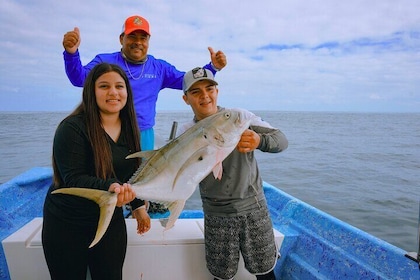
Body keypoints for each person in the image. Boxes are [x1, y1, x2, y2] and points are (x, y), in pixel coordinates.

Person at [42, 63, 150, 280]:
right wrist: (111, 187)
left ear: (127, 92)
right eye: (104, 86)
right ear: (91, 91)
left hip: (109, 220)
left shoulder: (131, 128)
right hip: (67, 224)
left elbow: (131, 173)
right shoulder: (71, 127)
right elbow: (73, 178)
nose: (113, 92)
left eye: (119, 86)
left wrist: (137, 206)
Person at [180, 67, 288, 280]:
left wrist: (260, 141)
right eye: (196, 92)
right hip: (216, 213)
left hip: (254, 208)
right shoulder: (185, 133)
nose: (205, 96)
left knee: (266, 272)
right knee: (221, 276)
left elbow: (281, 140)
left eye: (209, 88)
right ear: (186, 99)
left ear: (217, 91)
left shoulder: (240, 117)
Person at [62, 15, 227, 151]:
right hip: (106, 130)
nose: (138, 42)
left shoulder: (159, 67)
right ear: (122, 39)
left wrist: (213, 67)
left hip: (143, 133)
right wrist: (71, 54)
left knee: (139, 179)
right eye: (132, 36)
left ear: (148, 40)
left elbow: (188, 82)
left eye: (143, 37)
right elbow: (79, 78)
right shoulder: (105, 61)